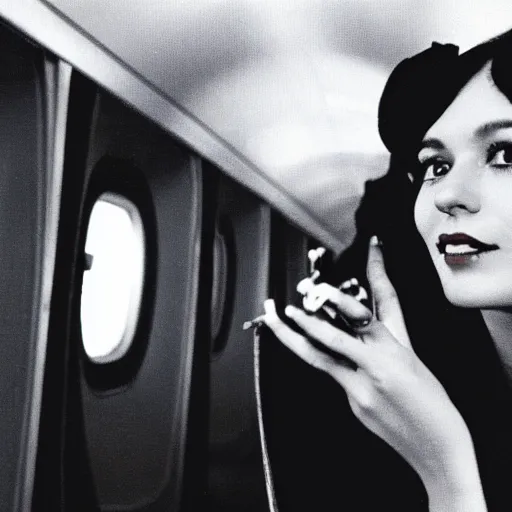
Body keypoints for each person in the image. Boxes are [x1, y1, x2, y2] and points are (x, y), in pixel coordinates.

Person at [260, 29, 512, 512]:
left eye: (506, 154)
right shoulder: (384, 393)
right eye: (436, 164)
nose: (445, 193)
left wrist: (445, 467)